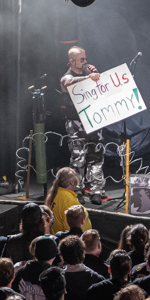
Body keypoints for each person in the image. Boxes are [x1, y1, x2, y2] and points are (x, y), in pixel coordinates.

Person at [60, 46, 105, 205]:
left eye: (85, 58)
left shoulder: (88, 72)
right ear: (72, 61)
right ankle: (77, 191)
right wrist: (89, 78)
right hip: (76, 123)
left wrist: (94, 75)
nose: (85, 62)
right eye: (82, 59)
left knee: (96, 156)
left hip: (93, 121)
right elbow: (67, 83)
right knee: (78, 159)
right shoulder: (68, 76)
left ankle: (96, 191)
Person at [45, 167, 92, 235]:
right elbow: (71, 229)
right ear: (72, 182)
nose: (77, 177)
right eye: (75, 175)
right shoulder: (69, 201)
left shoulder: (56, 193)